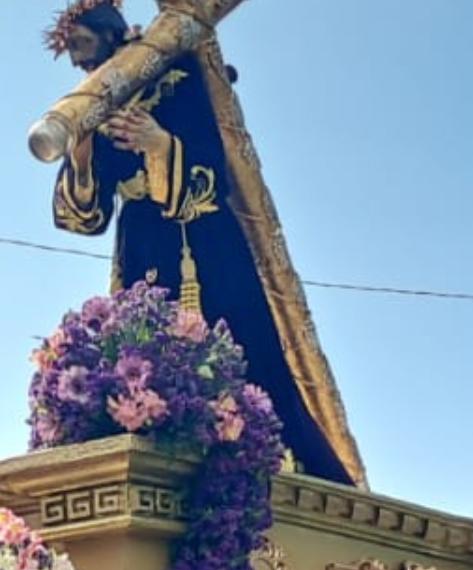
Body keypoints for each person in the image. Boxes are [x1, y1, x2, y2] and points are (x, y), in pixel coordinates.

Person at [44, 0, 365, 485]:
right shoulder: (91, 107)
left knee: (238, 348)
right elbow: (84, 219)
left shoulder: (177, 73)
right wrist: (83, 155)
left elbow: (211, 170)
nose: (77, 60)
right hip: (139, 247)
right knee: (141, 358)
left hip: (202, 243)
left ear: (110, 33)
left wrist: (159, 144)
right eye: (71, 51)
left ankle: (258, 455)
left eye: (83, 44)